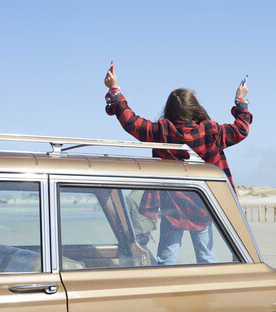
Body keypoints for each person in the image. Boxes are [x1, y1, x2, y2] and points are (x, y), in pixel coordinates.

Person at [103, 67, 252, 265]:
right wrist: (240, 100)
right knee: (207, 257)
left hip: (172, 207)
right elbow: (241, 128)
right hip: (204, 205)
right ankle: (210, 291)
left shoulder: (162, 131)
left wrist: (115, 90)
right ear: (196, 108)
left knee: (167, 258)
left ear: (170, 110)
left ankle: (165, 292)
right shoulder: (212, 132)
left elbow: (131, 122)